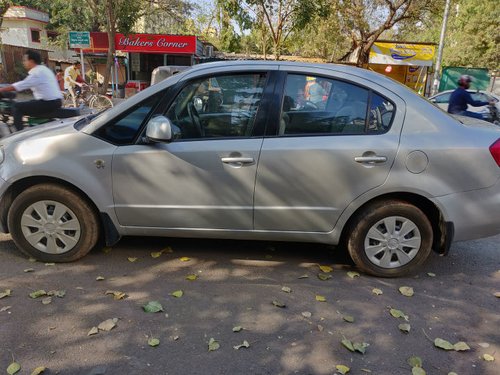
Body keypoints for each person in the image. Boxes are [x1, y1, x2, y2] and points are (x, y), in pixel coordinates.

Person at [0, 50, 62, 131]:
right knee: (28, 102)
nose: (23, 62)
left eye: (25, 60)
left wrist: (2, 89)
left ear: (31, 61)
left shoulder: (37, 72)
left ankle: (19, 134)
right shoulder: (43, 69)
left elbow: (21, 85)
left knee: (16, 107)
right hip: (54, 101)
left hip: (49, 103)